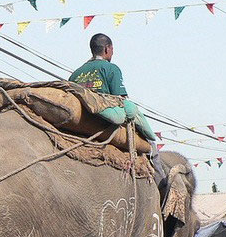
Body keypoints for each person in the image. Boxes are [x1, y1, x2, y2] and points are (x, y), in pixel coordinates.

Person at [69, 34, 163, 180]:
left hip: (83, 120)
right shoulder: (111, 69)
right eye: (112, 49)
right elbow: (121, 100)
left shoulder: (75, 74)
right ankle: (161, 184)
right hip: (105, 122)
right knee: (151, 145)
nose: (112, 52)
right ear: (107, 49)